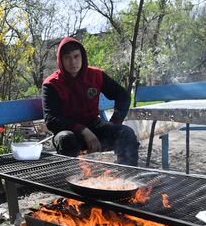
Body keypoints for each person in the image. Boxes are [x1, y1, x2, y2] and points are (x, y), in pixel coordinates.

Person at [42, 36, 139, 166]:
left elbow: (123, 96)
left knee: (126, 133)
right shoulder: (51, 84)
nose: (73, 62)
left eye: (76, 56)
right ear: (61, 60)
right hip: (70, 132)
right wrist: (82, 130)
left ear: (82, 56)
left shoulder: (95, 75)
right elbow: (51, 119)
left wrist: (115, 122)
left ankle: (127, 178)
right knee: (65, 138)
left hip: (96, 127)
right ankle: (71, 182)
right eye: (67, 57)